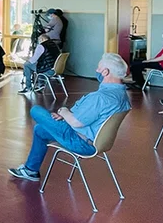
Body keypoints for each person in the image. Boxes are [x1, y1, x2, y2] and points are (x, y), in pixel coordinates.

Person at [9, 53, 131, 182]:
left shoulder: (100, 98)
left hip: (79, 141)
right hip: (97, 142)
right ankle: (30, 170)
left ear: (105, 72)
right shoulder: (122, 96)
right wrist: (65, 117)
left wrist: (63, 112)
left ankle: (30, 170)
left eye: (98, 68)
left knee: (36, 110)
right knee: (40, 130)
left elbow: (76, 122)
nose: (97, 70)